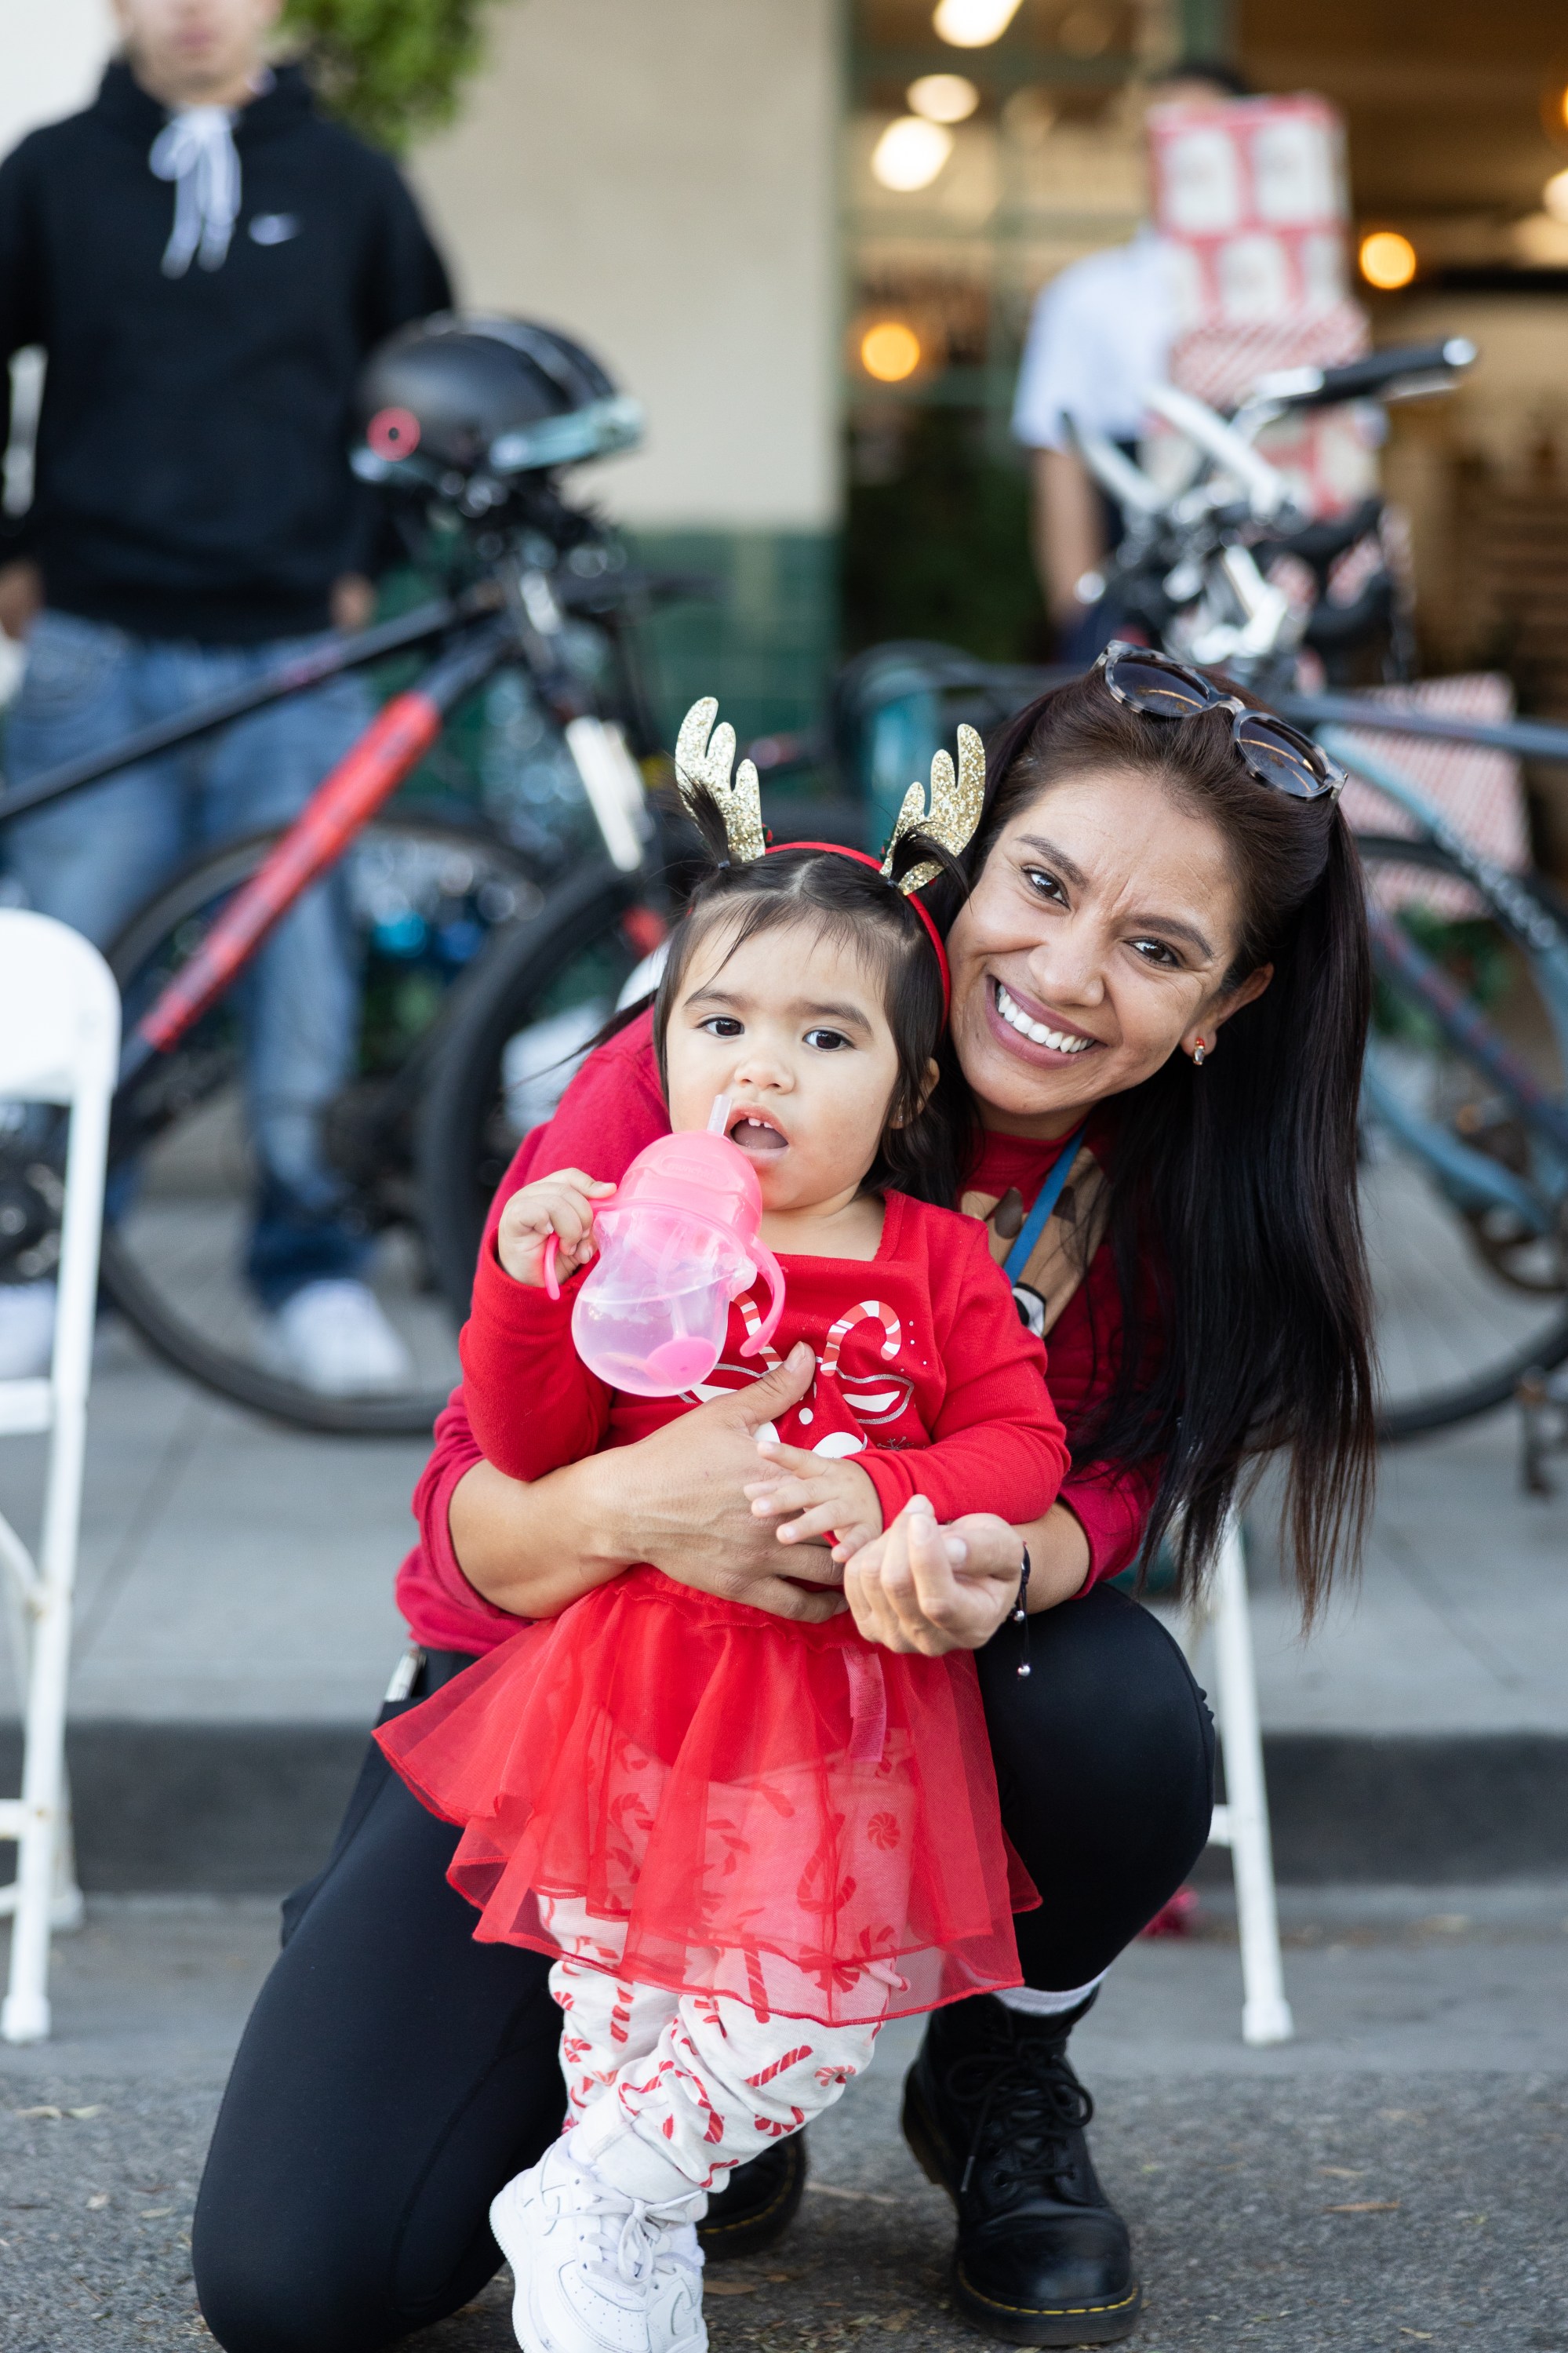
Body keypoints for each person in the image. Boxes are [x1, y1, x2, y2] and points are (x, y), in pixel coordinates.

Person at [192, 648, 1376, 2353]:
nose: (1061, 973)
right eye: (1039, 888)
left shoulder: (1185, 1192)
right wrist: (638, 1506)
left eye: (1155, 948)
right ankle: (650, 2097)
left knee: (1113, 1706)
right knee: (303, 2285)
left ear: (1224, 1007)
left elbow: (1108, 1496)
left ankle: (994, 2079)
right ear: (966, 870)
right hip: (577, 1696)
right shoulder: (710, 1072)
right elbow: (470, 1531)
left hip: (897, 1700)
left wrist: (995, 1554)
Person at [377, 747, 1071, 2352]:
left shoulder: (935, 1261)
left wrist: (896, 1487)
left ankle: (593, 2198)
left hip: (838, 1718)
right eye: (722, 1026)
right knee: (610, 2008)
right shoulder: (641, 1233)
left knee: (803, 2022)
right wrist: (524, 1282)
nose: (761, 1069)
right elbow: (537, 1442)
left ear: (905, 1090)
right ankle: (628, 2254)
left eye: (824, 1038)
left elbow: (1023, 1449)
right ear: (663, 1050)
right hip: (626, 1694)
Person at [0, 0, 451, 1389]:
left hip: (293, 654)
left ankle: (307, 1269)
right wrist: (11, 550)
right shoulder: (51, 171)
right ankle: (40, 1263)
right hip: (96, 646)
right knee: (73, 968)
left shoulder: (352, 179)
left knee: (297, 966)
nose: (196, 10)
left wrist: (368, 557)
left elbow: (423, 379)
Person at [1012, 59, 1253, 664]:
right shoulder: (1088, 296)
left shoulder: (1299, 298)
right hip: (1140, 596)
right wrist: (1085, 626)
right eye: (1162, 139)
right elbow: (1059, 467)